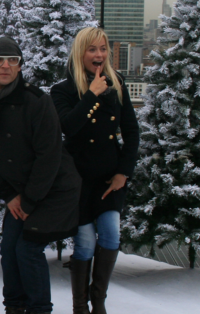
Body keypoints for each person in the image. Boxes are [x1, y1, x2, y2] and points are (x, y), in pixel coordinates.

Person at [0, 37, 81, 314]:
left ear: (19, 67)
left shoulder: (36, 100)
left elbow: (49, 155)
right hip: (20, 191)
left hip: (54, 188)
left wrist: (28, 201)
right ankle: (15, 308)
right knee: (9, 251)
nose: (5, 65)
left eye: (12, 60)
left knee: (27, 251)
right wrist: (8, 195)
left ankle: (40, 310)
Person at [50, 27, 140, 314]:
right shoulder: (62, 90)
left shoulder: (118, 83)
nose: (99, 55)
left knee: (111, 233)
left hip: (110, 176)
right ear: (81, 53)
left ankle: (98, 302)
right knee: (86, 242)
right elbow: (68, 127)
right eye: (92, 49)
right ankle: (80, 306)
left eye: (103, 49)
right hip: (78, 179)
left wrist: (123, 173)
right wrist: (91, 94)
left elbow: (132, 132)